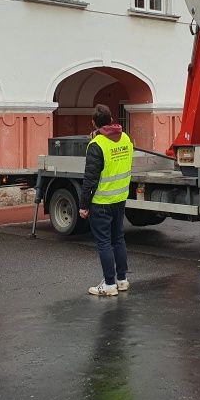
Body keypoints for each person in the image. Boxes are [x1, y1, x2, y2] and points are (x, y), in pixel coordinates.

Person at [79, 103, 134, 296]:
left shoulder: (96, 145)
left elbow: (90, 179)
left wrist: (84, 205)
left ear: (94, 123)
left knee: (104, 243)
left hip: (101, 201)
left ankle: (109, 284)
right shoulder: (126, 138)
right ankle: (122, 280)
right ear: (111, 120)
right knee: (118, 238)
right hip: (120, 198)